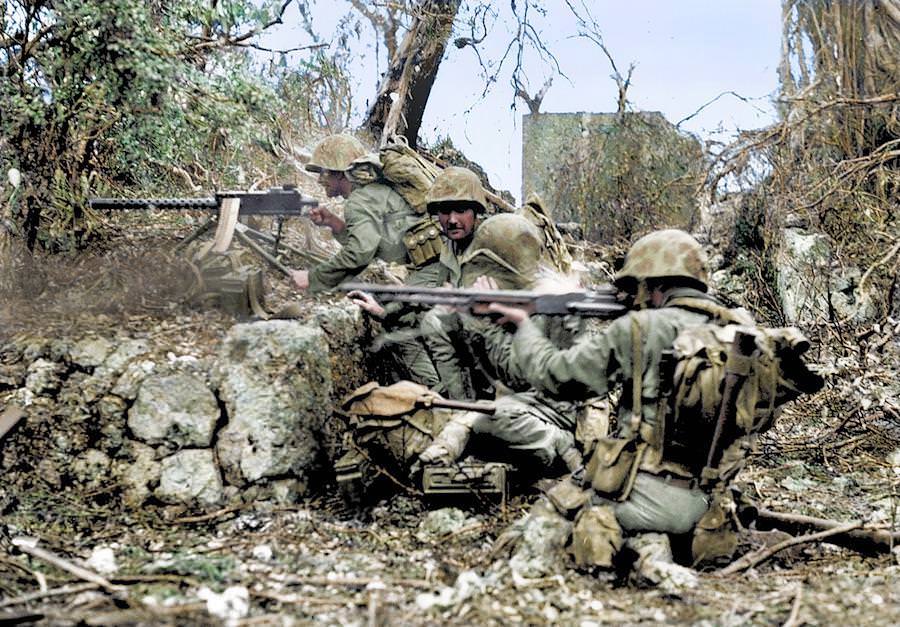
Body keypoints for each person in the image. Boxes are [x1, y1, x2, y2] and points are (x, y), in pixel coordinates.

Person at [487, 229, 750, 576]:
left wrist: (522, 326)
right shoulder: (740, 332)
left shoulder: (640, 328)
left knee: (540, 522)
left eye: (634, 287)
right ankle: (658, 548)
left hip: (640, 495)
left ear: (651, 284)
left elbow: (559, 376)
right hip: (709, 504)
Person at [416, 213, 587, 475]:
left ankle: (558, 443)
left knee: (496, 417)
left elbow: (515, 376)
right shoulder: (528, 291)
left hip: (549, 410)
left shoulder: (551, 307)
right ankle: (462, 411)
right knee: (438, 320)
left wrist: (482, 322)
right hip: (517, 398)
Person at [293, 134, 445, 386]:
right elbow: (384, 248)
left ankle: (435, 398)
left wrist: (312, 277)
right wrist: (334, 222)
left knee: (396, 321)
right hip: (437, 265)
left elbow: (359, 255)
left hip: (440, 269)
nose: (320, 179)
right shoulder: (372, 194)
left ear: (342, 174)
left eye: (325, 172)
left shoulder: (360, 201)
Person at [347, 165, 486, 396]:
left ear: (475, 211)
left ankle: (462, 404)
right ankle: (440, 397)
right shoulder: (450, 249)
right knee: (399, 329)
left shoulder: (490, 247)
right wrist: (383, 312)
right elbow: (424, 290)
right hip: (462, 346)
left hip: (493, 358)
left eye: (460, 210)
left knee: (432, 320)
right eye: (444, 212)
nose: (451, 220)